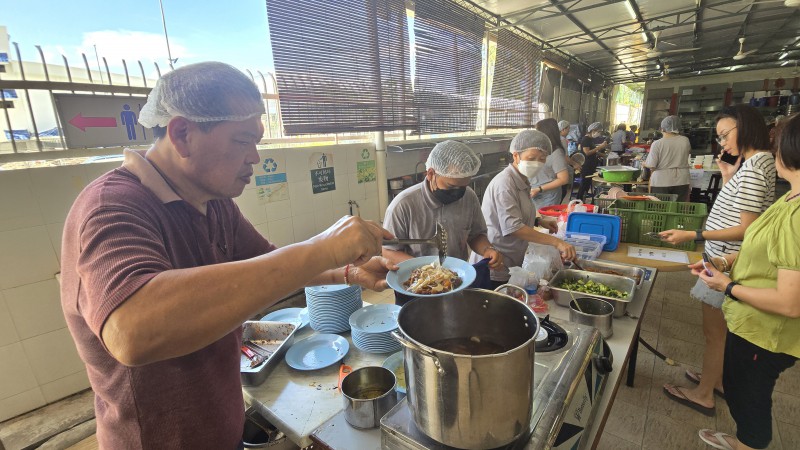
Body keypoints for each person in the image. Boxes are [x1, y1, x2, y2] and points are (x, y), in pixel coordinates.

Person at [60, 62, 396, 450]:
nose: (254, 157)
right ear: (182, 134)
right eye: (241, 141)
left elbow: (270, 263)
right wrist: (322, 247)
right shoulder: (112, 207)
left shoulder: (213, 203)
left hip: (223, 430)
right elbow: (132, 331)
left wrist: (348, 271)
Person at [689, 112, 800, 450]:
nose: (773, 150)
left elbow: (790, 302)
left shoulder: (794, 212)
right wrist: (724, 262)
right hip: (749, 313)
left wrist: (728, 285)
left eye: (779, 144)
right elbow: (759, 243)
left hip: (765, 330)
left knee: (749, 398)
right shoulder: (789, 196)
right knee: (739, 386)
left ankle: (747, 443)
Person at [660, 104, 776, 418]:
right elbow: (736, 208)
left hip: (726, 260)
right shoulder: (752, 165)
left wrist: (694, 235)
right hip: (724, 256)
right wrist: (727, 175)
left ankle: (703, 394)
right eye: (719, 137)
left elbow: (747, 228)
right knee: (719, 331)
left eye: (725, 135)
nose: (721, 143)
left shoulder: (754, 168)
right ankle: (717, 379)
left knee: (715, 333)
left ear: (747, 127)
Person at [382, 140, 502, 304]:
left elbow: (475, 235)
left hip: (454, 284)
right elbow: (388, 251)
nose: (458, 193)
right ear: (430, 174)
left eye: (463, 186)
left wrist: (488, 249)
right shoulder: (403, 205)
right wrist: (427, 272)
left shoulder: (468, 197)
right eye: (451, 186)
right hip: (415, 288)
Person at [479, 129, 576, 287]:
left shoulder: (523, 180)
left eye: (542, 159)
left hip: (512, 258)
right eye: (531, 158)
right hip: (495, 262)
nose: (537, 163)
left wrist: (539, 221)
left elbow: (516, 212)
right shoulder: (505, 184)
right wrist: (557, 243)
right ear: (516, 155)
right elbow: (513, 227)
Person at [644, 115, 692, 201]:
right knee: (679, 208)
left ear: (662, 129)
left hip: (661, 181)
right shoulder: (685, 140)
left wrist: (644, 163)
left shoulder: (657, 144)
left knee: (660, 209)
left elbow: (652, 165)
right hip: (682, 180)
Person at [530, 118, 571, 208]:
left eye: (538, 132)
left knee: (544, 220)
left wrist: (540, 189)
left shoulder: (556, 153)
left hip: (548, 197)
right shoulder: (540, 149)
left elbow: (564, 179)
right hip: (534, 192)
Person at [575, 122, 610, 201]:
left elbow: (593, 151)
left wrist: (603, 155)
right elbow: (587, 152)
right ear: (593, 130)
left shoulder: (591, 139)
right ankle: (578, 201)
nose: (599, 134)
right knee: (584, 185)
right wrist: (600, 147)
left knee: (587, 185)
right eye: (599, 132)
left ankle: (582, 200)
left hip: (591, 165)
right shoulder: (585, 139)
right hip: (586, 166)